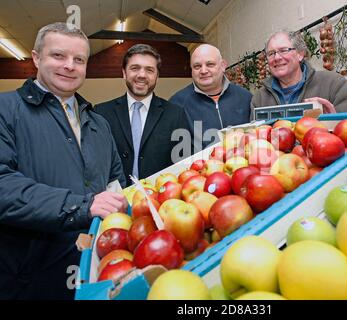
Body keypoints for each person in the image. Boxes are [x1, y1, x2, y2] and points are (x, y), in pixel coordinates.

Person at [0, 22, 128, 300]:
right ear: (36, 58)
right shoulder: (6, 110)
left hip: (91, 272)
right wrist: (82, 205)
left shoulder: (99, 124)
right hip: (28, 279)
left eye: (79, 59)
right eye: (58, 56)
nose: (69, 66)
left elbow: (115, 184)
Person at [95, 44, 191, 187]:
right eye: (135, 68)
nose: (142, 75)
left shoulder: (176, 114)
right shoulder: (101, 113)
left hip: (161, 201)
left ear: (157, 76)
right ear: (124, 73)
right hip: (113, 201)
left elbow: (184, 163)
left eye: (149, 70)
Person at [251, 30, 347, 116]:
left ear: (300, 54)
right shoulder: (259, 98)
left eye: (283, 50)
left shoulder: (333, 83)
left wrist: (333, 120)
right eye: (271, 53)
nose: (277, 57)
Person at [170, 44, 252, 151]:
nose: (203, 71)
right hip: (199, 167)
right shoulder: (176, 104)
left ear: (223, 65)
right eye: (197, 66)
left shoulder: (245, 97)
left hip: (242, 164)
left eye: (210, 64)